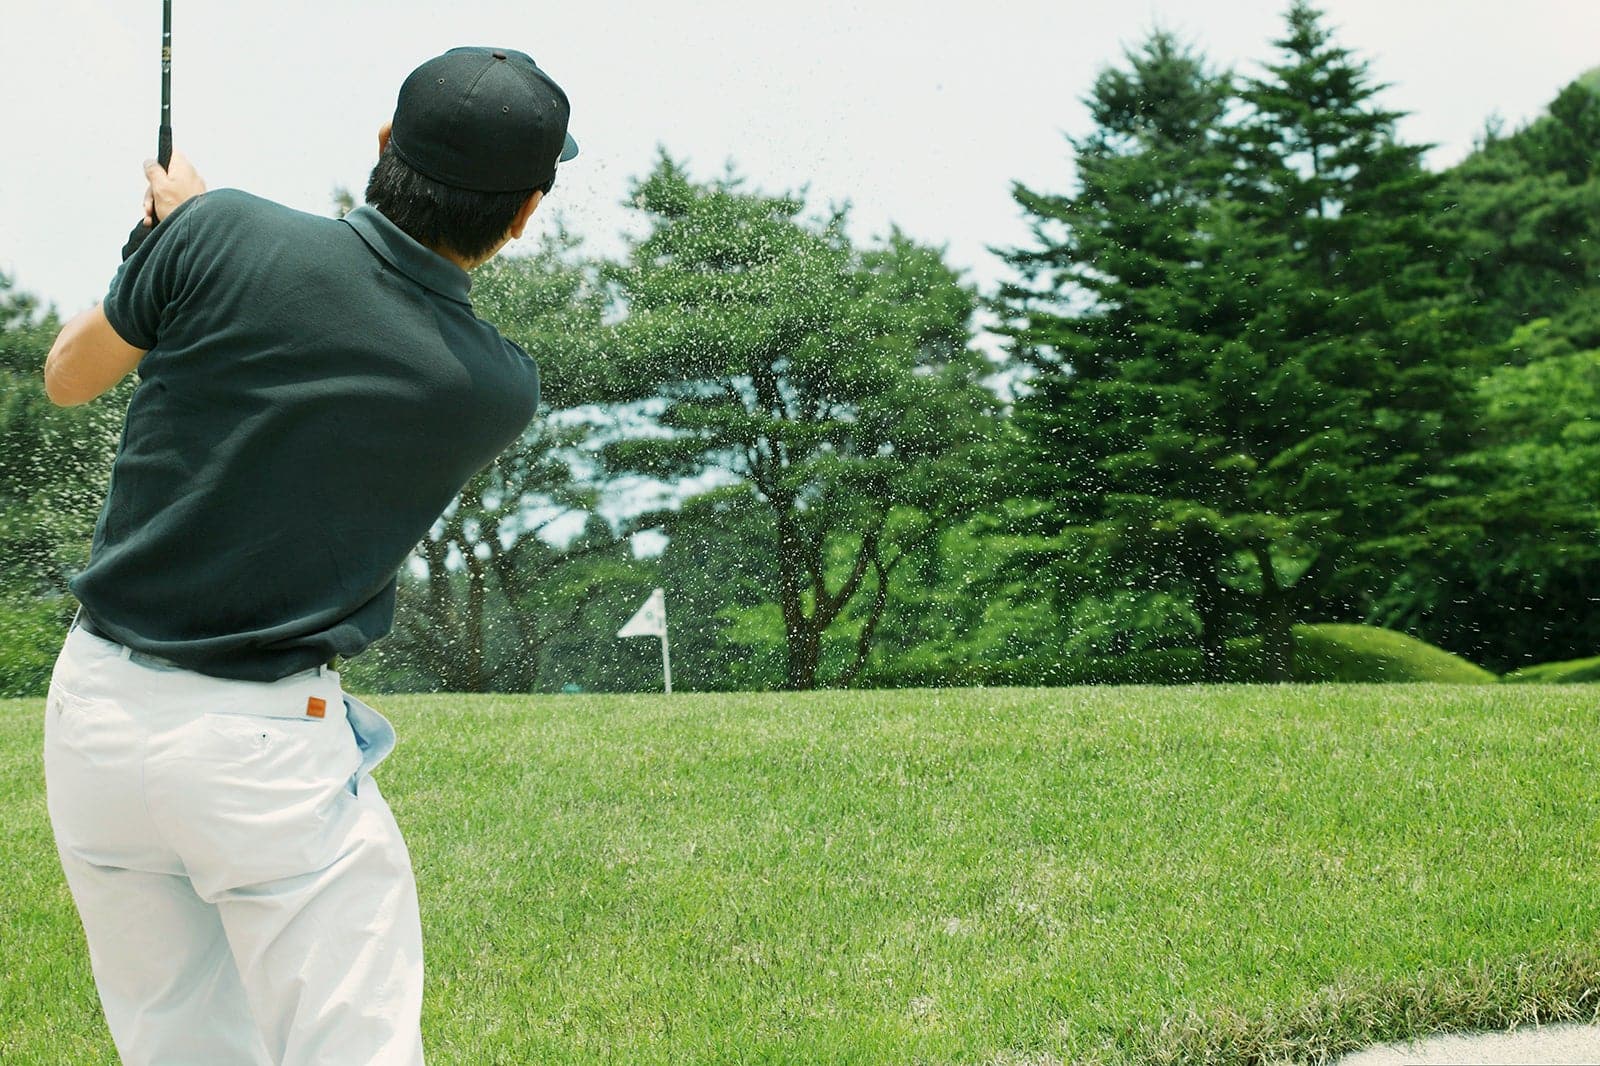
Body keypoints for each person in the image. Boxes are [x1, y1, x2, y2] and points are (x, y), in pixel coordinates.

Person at [39, 46, 577, 1065]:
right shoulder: (491, 387)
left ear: (383, 146)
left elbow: (71, 376)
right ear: (524, 214)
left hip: (94, 720)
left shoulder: (219, 231)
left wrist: (160, 248)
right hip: (260, 758)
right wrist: (187, 243)